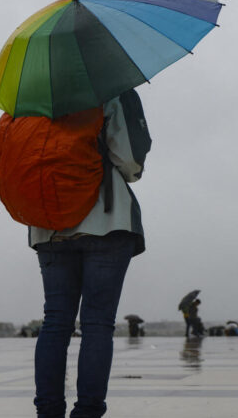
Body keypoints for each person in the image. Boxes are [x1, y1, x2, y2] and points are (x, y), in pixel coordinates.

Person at [27, 90, 151, 418]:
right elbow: (130, 164)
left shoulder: (28, 100)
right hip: (105, 219)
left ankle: (48, 411)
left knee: (55, 322)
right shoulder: (110, 88)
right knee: (97, 324)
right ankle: (88, 412)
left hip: (48, 224)